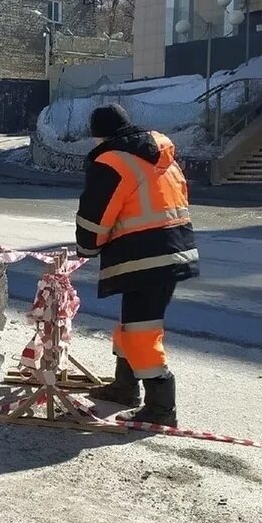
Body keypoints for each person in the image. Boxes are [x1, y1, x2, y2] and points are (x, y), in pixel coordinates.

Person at [75, 104, 199, 427]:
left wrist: (85, 248)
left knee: (142, 331)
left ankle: (161, 405)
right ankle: (125, 386)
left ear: (99, 135)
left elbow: (96, 215)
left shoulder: (113, 161)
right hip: (172, 251)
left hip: (145, 256)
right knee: (132, 323)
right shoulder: (159, 155)